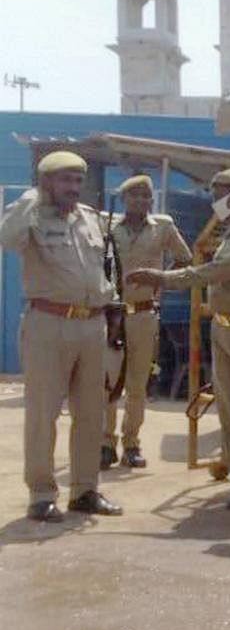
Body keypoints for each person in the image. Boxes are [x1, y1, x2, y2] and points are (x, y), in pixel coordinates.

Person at [129, 168, 230, 510]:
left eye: (219, 195)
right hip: (224, 328)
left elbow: (221, 270)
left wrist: (163, 277)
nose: (214, 203)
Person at [0, 151, 122, 521]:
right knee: (43, 413)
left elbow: (105, 268)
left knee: (91, 412)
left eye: (77, 179)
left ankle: (85, 490)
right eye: (64, 180)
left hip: (92, 325)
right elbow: (6, 239)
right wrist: (30, 198)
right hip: (48, 324)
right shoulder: (30, 215)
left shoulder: (90, 219)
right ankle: (41, 493)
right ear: (46, 182)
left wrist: (113, 312)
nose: (73, 187)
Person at [101, 174, 191, 470]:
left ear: (151, 200)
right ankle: (104, 443)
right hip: (110, 314)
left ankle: (131, 443)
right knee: (108, 382)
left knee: (137, 383)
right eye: (133, 195)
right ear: (124, 198)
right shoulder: (107, 224)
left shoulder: (162, 226)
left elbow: (184, 257)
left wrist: (161, 281)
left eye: (145, 196)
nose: (139, 201)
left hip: (143, 313)